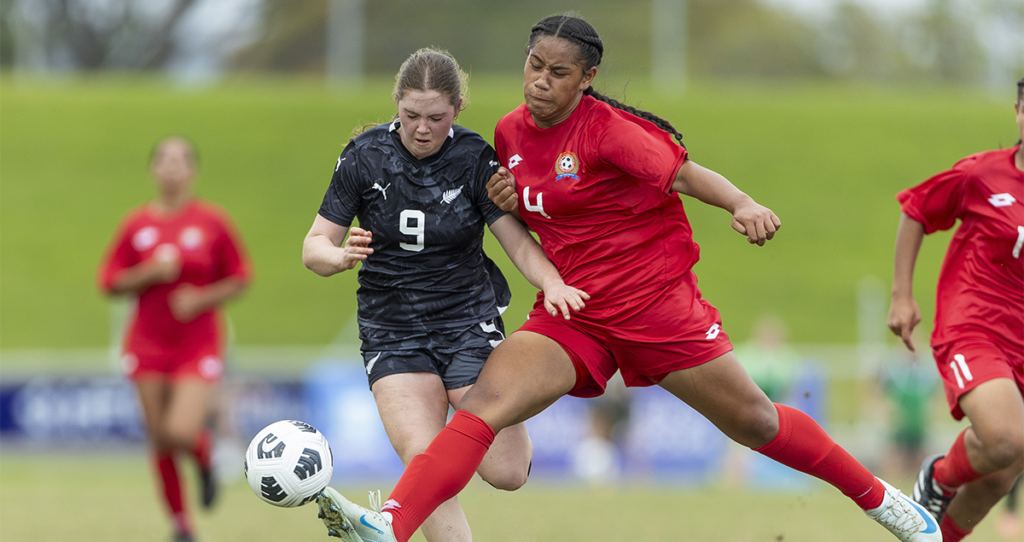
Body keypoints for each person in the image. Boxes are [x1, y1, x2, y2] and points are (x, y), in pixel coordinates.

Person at [314, 15, 939, 542]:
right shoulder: (506, 134)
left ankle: (882, 501)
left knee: (757, 423)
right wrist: (513, 199)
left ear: (587, 79)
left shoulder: (610, 132)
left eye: (559, 73)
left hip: (656, 309)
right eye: (535, 65)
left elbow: (689, 175)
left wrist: (743, 203)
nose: (541, 81)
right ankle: (389, 525)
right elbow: (522, 218)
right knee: (483, 407)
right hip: (573, 312)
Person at [301, 48, 588, 542]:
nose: (421, 128)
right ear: (396, 104)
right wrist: (340, 256)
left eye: (436, 117)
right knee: (425, 462)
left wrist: (553, 282)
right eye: (411, 115)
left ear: (457, 108)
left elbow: (517, 241)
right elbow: (313, 247)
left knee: (508, 471)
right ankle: (389, 524)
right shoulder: (364, 156)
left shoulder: (475, 158)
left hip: (467, 325)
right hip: (393, 332)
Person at [886, 76, 1024, 542]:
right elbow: (917, 209)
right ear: (1018, 112)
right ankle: (938, 477)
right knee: (1004, 438)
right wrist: (901, 296)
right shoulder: (982, 175)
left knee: (1000, 476)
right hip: (974, 325)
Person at [97, 136, 251, 542]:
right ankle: (181, 525)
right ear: (152, 170)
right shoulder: (137, 225)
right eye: (163, 159)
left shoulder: (211, 221)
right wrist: (147, 273)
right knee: (159, 439)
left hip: (197, 343)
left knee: (180, 431)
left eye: (180, 159)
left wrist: (202, 297)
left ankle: (204, 459)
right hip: (146, 344)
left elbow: (240, 276)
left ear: (193, 170)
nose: (171, 167)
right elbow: (109, 281)